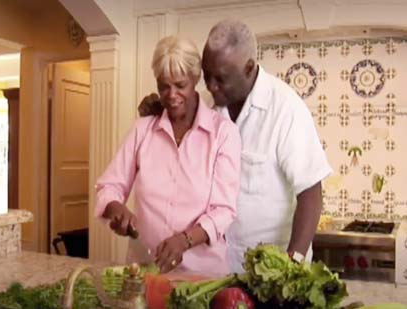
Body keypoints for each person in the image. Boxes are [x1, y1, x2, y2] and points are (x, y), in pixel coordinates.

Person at [139, 20, 332, 273]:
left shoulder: (286, 109)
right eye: (206, 76)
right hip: (217, 266)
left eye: (220, 79)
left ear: (249, 69)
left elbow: (311, 194)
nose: (211, 86)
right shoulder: (208, 104)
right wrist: (161, 110)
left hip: (272, 271)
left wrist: (291, 264)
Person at [95, 35, 241, 274]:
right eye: (164, 86)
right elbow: (109, 185)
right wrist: (115, 208)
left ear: (195, 79)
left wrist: (183, 241)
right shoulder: (142, 130)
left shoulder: (223, 134)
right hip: (144, 270)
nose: (171, 95)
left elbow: (224, 211)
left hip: (202, 275)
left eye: (180, 85)